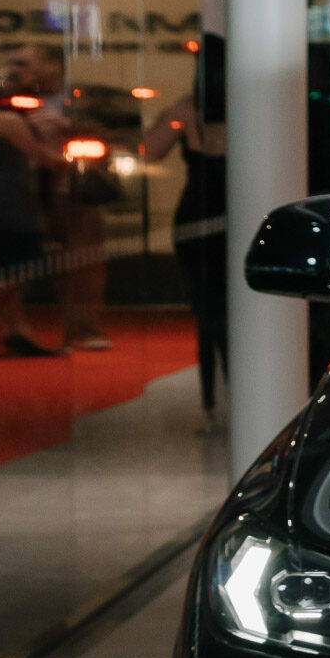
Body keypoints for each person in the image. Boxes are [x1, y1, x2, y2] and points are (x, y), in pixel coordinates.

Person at [142, 33, 228, 416]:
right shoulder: (252, 107)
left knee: (205, 309)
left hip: (196, 214)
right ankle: (236, 392)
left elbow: (149, 151)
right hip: (238, 213)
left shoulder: (186, 110)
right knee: (237, 306)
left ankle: (211, 397)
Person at [0, 45, 70, 356]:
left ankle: (17, 330)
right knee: (26, 263)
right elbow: (44, 158)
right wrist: (69, 154)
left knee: (4, 266)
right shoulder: (7, 120)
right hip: (9, 203)